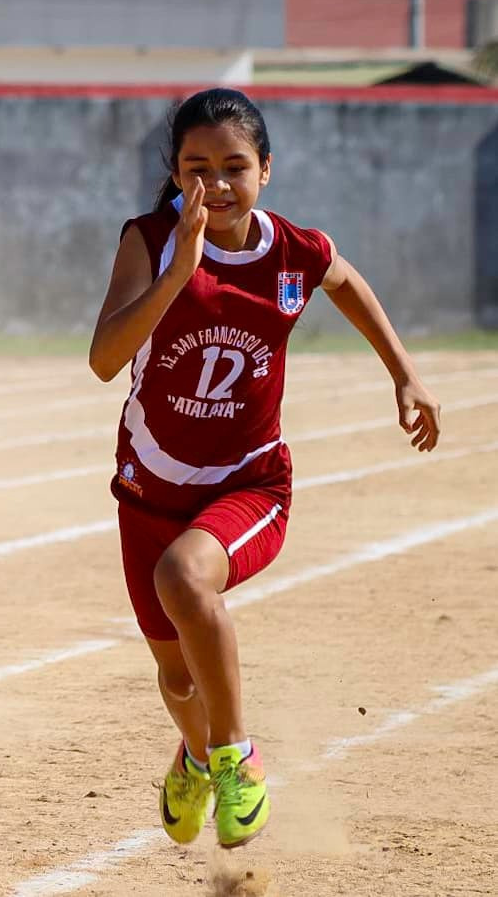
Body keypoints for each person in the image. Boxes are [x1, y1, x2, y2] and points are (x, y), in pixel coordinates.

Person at [88, 88, 441, 850]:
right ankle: (193, 750)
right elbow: (103, 358)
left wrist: (403, 372)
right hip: (147, 490)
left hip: (248, 484)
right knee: (176, 677)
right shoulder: (148, 240)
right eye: (196, 167)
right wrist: (176, 272)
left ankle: (234, 754)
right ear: (174, 173)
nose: (214, 183)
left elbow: (346, 283)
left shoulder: (293, 250)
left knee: (185, 579)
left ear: (265, 169)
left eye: (233, 166)